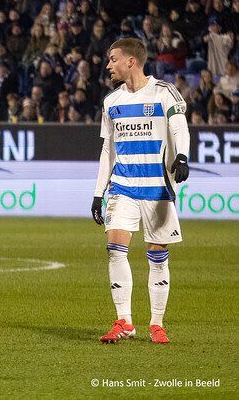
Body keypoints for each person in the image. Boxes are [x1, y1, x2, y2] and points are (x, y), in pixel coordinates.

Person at [91, 38, 190, 345]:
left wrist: (182, 156)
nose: (108, 65)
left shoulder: (164, 91)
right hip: (123, 185)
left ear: (130, 61)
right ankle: (124, 321)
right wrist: (98, 192)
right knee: (114, 247)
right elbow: (109, 149)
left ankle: (157, 324)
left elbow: (179, 127)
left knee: (157, 255)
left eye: (113, 59)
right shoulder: (112, 101)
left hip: (156, 186)